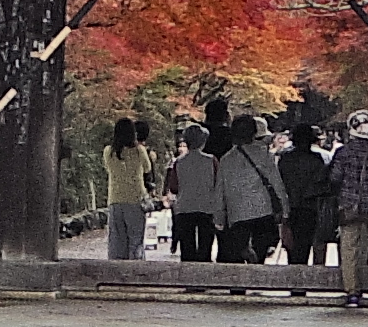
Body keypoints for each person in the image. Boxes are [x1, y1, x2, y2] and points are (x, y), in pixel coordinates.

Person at [329, 110, 368, 307]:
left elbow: (334, 178)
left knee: (349, 250)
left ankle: (352, 292)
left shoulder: (343, 152)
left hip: (348, 206)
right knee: (366, 243)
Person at [212, 113, 284, 268]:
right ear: (254, 132)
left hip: (237, 213)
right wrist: (285, 209)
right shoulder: (264, 155)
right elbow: (277, 184)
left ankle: (243, 272)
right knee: (260, 252)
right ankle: (256, 269)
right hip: (263, 210)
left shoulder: (226, 159)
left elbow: (220, 191)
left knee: (238, 252)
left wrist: (219, 218)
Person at [277, 119, 333, 268]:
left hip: (289, 207)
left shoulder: (286, 159)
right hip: (310, 208)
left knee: (292, 249)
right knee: (306, 246)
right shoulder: (317, 160)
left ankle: (294, 276)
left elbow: (280, 183)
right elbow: (323, 186)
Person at [102, 117, 156, 265]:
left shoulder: (108, 151)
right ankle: (136, 269)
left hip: (115, 199)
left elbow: (107, 168)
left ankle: (116, 269)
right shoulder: (139, 151)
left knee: (116, 241)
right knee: (135, 240)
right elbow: (147, 168)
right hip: (135, 199)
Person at [165, 123, 219, 265]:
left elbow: (174, 188)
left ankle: (188, 277)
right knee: (205, 248)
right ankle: (203, 275)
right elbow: (218, 184)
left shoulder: (179, 162)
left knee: (187, 250)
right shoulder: (211, 160)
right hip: (207, 207)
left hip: (184, 208)